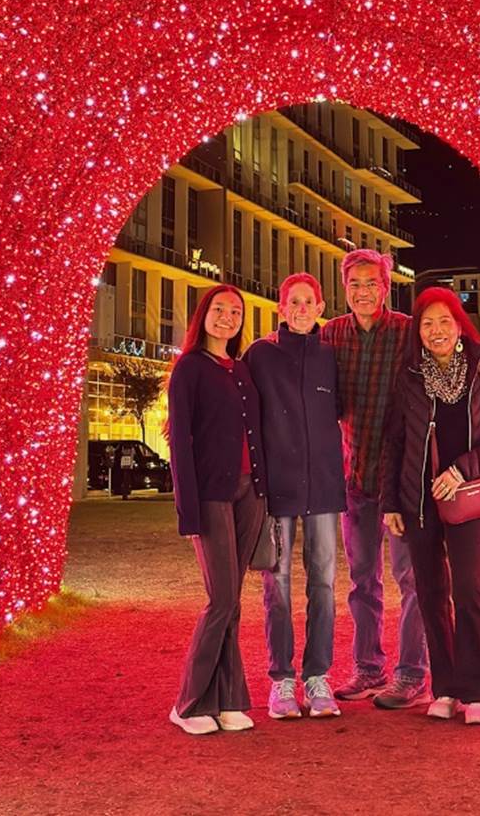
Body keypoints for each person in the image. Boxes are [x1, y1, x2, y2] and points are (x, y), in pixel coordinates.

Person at [382, 286, 480, 726]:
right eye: (427, 324)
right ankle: (445, 688)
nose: (436, 330)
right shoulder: (408, 377)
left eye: (444, 321)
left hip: (465, 497)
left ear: (459, 326)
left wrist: (461, 470)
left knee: (469, 591)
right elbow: (394, 443)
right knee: (431, 594)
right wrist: (391, 503)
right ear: (417, 332)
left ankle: (477, 691)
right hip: (417, 501)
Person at [321, 249, 428, 708]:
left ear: (386, 287)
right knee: (362, 580)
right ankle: (367, 667)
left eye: (371, 284)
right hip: (355, 475)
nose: (363, 292)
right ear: (344, 289)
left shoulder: (407, 331)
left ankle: (411, 673)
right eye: (354, 285)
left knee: (411, 578)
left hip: (401, 481)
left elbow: (454, 348)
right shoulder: (332, 335)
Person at [167, 285, 266, 736]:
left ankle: (228, 701)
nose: (227, 317)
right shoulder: (188, 369)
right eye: (219, 310)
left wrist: (265, 492)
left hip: (251, 495)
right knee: (221, 599)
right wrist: (187, 512)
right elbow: (181, 445)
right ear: (203, 315)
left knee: (233, 604)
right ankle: (189, 703)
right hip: (210, 495)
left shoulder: (242, 370)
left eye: (235, 312)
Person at [246, 272, 345, 720]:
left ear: (320, 308)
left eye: (309, 302)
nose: (301, 309)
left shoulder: (332, 357)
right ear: (281, 308)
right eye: (293, 302)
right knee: (278, 586)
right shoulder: (260, 355)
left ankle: (317, 675)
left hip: (324, 486)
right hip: (277, 490)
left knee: (323, 583)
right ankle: (281, 679)